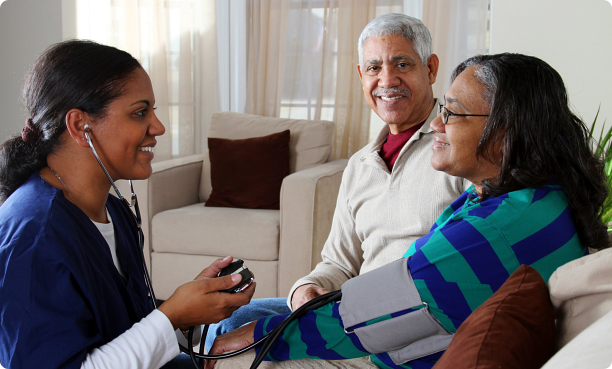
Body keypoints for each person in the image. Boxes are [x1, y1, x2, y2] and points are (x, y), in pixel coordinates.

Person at [205, 53, 610, 369]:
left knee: (231, 345)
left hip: (393, 343)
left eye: (451, 113)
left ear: (505, 132)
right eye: (372, 67)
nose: (438, 123)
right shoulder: (526, 196)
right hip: (390, 317)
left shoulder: (493, 230)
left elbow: (370, 315)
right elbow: (349, 270)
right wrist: (305, 290)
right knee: (240, 318)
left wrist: (259, 335)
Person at [205, 12, 469, 352]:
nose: (387, 80)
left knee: (244, 341)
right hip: (349, 307)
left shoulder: (457, 148)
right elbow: (340, 263)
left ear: (430, 69)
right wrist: (307, 287)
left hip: (408, 318)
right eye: (374, 68)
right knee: (233, 319)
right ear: (361, 76)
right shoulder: (360, 165)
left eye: (402, 64)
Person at [0, 40, 255, 369]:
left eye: (153, 111)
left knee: (278, 328)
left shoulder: (115, 212)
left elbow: (124, 332)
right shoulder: (33, 241)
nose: (158, 127)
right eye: (139, 113)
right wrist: (172, 315)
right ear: (80, 126)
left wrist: (192, 322)